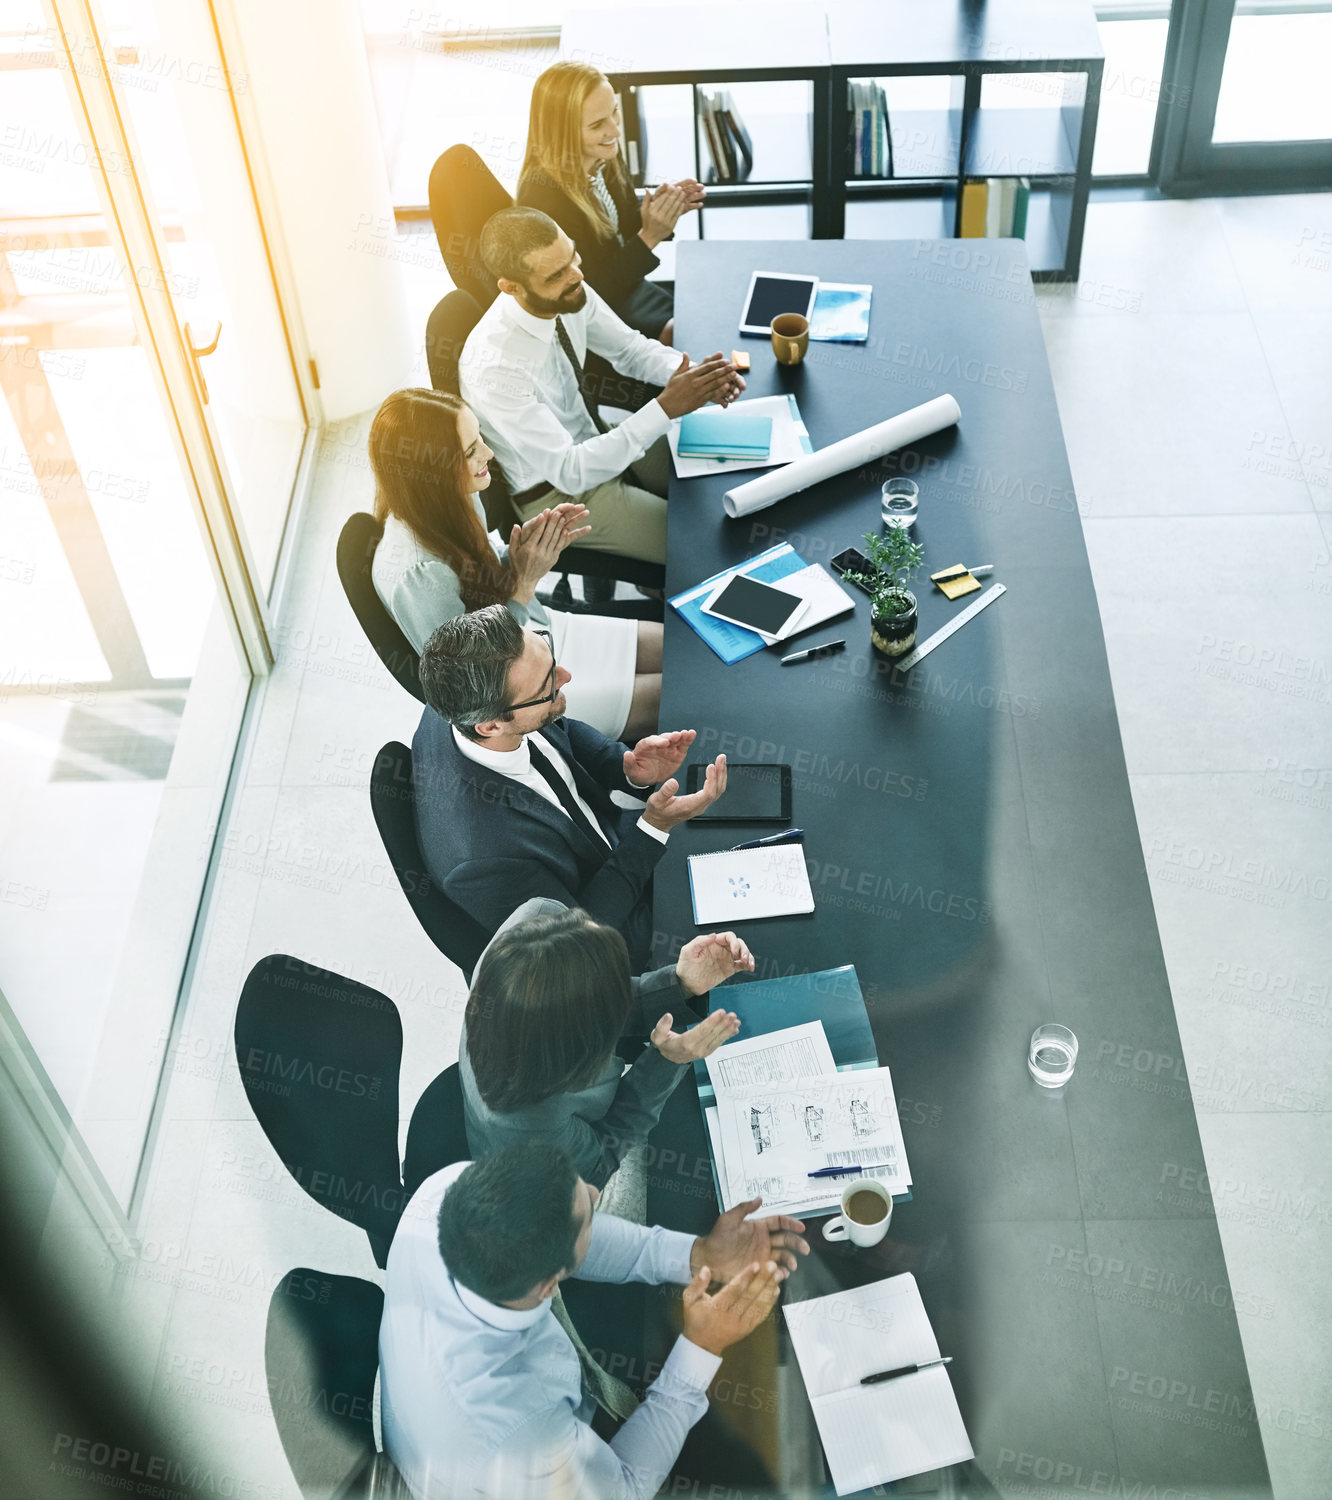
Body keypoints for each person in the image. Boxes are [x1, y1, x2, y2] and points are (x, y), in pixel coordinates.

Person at [379, 1142, 809, 1500]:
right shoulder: (524, 1436)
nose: (595, 1191)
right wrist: (702, 1345)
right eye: (587, 1207)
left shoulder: (447, 1191)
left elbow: (572, 1235)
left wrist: (697, 1255)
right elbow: (627, 1487)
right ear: (548, 1286)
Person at [412, 606, 726, 969]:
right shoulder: (482, 860)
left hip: (613, 841)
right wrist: (652, 829)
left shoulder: (466, 697)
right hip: (609, 929)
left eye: (550, 661)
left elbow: (558, 727)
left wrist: (626, 768)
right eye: (548, 683)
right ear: (492, 726)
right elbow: (580, 937)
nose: (566, 676)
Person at [368, 386, 663, 740]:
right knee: (672, 696)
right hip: (522, 695)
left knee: (682, 650)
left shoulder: (453, 497)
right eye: (471, 450)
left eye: (480, 438)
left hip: (538, 633)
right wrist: (524, 586)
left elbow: (485, 576)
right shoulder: (419, 577)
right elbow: (480, 682)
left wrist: (526, 551)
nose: (489, 453)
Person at [459, 205, 744, 565]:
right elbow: (570, 470)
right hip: (560, 494)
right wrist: (666, 407)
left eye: (573, 257)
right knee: (709, 543)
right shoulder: (495, 367)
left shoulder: (569, 285)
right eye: (557, 274)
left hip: (598, 436)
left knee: (723, 480)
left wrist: (693, 376)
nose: (577, 275)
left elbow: (629, 350)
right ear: (511, 288)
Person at [461, 898, 754, 1187]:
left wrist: (679, 985)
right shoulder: (527, 1123)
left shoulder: (539, 917)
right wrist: (665, 1062)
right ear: (583, 1044)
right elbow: (600, 1162)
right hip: (547, 1180)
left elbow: (597, 992)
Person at [518, 60, 704, 343]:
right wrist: (649, 237)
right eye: (597, 124)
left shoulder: (602, 155)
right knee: (693, 334)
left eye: (614, 111)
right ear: (563, 134)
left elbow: (621, 221)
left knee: (705, 309)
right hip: (594, 312)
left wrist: (657, 212)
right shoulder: (545, 199)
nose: (615, 131)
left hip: (629, 286)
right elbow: (587, 291)